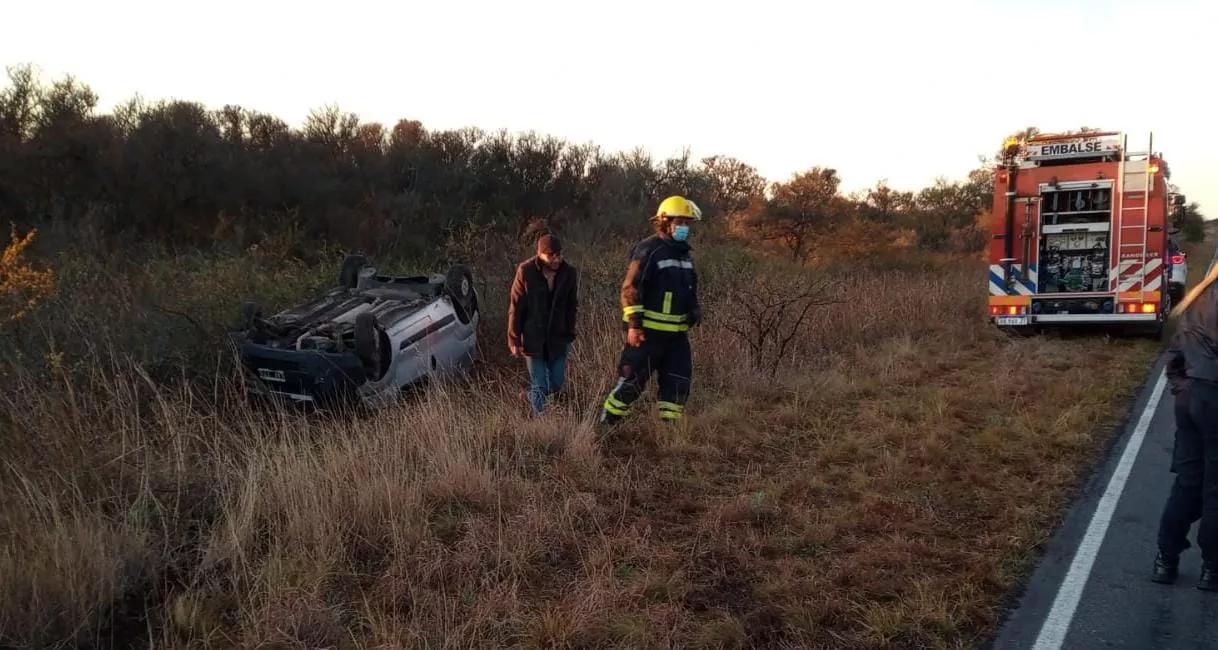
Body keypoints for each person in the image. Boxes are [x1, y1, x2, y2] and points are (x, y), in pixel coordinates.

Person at [599, 195, 702, 425]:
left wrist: (694, 310)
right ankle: (606, 426)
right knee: (631, 383)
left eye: (687, 223)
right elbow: (630, 288)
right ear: (665, 222)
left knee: (677, 384)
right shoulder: (649, 250)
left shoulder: (684, 255)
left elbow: (688, 290)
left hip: (676, 337)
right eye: (680, 223)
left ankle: (669, 432)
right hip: (648, 335)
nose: (684, 228)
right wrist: (634, 325)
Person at [1151, 261, 1218, 590]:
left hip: (1189, 398)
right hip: (1212, 395)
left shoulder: (1197, 296)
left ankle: (1166, 558)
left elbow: (1175, 355)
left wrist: (1183, 389)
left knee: (1189, 482)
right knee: (1214, 488)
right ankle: (1212, 569)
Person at [507, 233, 579, 416]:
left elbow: (572, 305)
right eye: (551, 255)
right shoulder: (526, 271)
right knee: (540, 384)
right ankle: (541, 425)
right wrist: (514, 339)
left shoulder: (569, 273)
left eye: (559, 255)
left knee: (555, 384)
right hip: (533, 338)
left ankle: (529, 396)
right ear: (540, 254)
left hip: (558, 337)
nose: (556, 259)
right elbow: (516, 307)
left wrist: (569, 331)